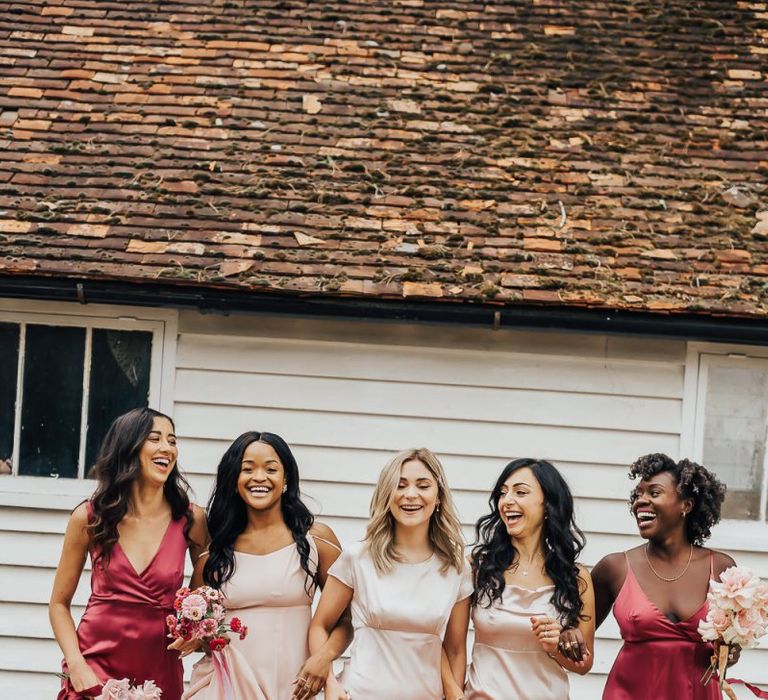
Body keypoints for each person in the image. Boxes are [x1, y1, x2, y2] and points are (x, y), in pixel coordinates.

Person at [50, 407, 208, 700]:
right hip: (95, 665)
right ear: (128, 446)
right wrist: (76, 664)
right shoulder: (88, 517)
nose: (167, 448)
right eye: (155, 438)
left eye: (172, 441)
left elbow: (202, 596)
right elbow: (58, 604)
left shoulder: (192, 519)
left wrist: (194, 633)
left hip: (160, 668)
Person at [182, 431, 351, 700]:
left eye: (270, 469)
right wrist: (196, 637)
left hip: (294, 687)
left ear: (285, 479)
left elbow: (345, 621)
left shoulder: (316, 540)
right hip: (226, 689)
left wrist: (324, 659)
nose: (259, 477)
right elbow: (199, 634)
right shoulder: (214, 555)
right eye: (247, 469)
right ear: (235, 480)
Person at [308, 448, 472, 700]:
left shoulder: (456, 568)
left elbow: (456, 651)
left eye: (423, 485)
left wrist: (454, 693)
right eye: (400, 485)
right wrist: (330, 683)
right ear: (387, 494)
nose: (410, 495)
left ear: (438, 496)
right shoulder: (357, 557)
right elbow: (320, 625)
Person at [589, 453, 737, 699]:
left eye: (653, 493)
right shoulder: (614, 568)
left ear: (686, 506)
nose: (640, 501)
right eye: (638, 495)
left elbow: (729, 644)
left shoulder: (721, 568)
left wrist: (731, 652)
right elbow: (575, 635)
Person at [464, 458, 595, 699]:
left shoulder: (577, 578)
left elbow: (584, 664)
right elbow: (451, 646)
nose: (507, 501)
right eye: (503, 493)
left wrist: (556, 646)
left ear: (547, 505)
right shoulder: (478, 567)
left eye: (520, 492)